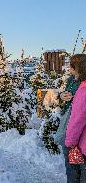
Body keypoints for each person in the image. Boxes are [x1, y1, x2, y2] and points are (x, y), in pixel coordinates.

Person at [63, 54, 86, 182]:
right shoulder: (73, 81)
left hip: (81, 144)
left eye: (71, 66)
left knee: (76, 175)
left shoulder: (83, 90)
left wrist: (70, 143)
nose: (69, 69)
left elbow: (78, 120)